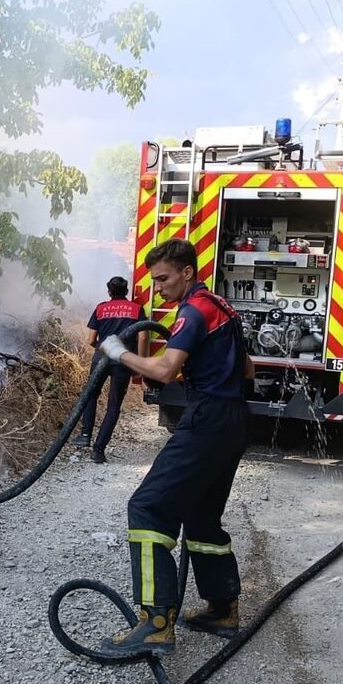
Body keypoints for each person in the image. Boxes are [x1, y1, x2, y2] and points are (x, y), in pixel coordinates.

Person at [92, 239, 249, 657]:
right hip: (234, 419)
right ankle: (222, 609)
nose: (157, 288)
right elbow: (245, 368)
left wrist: (120, 353)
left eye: (163, 279)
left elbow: (163, 369)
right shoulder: (223, 307)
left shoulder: (193, 310)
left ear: (186, 272)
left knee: (147, 507)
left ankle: (156, 623)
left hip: (208, 420)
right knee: (201, 514)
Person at [74, 276, 145, 463]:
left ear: (109, 292)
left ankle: (85, 435)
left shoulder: (101, 308)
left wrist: (104, 348)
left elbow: (90, 340)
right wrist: (139, 362)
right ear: (126, 291)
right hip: (123, 361)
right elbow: (144, 336)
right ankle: (98, 450)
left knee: (91, 395)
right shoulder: (137, 309)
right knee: (114, 406)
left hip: (101, 358)